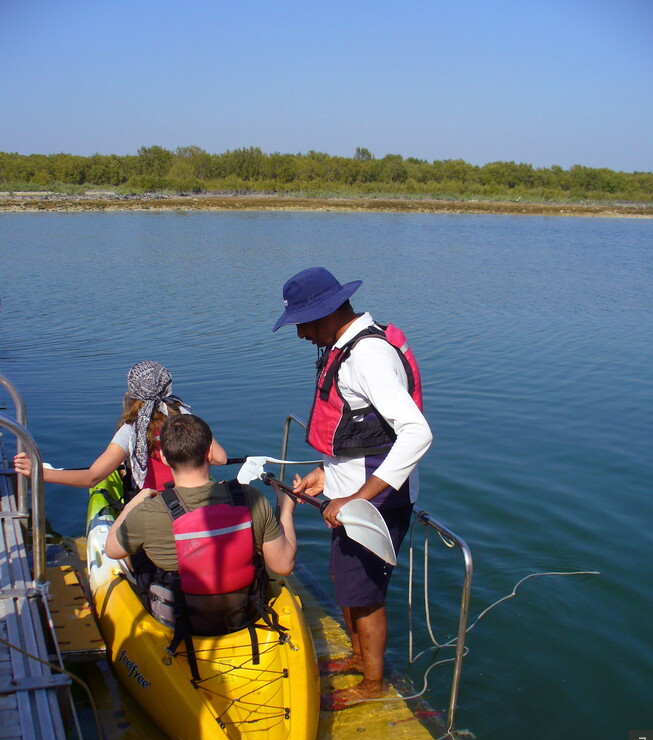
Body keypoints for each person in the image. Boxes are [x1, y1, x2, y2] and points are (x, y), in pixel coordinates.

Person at [273, 266, 432, 709]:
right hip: (351, 494)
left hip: (376, 501)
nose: (301, 333)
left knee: (365, 596)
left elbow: (417, 433)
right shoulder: (344, 348)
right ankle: (359, 658)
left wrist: (355, 498)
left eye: (303, 322)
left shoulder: (367, 357)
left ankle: (373, 683)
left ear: (327, 311)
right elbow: (362, 433)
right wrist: (325, 477)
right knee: (347, 585)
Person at [105, 413, 297, 641]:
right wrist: (286, 510)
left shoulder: (148, 512)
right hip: (243, 612)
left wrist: (133, 503)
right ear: (208, 452)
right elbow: (283, 565)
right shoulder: (250, 498)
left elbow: (112, 550)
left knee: (134, 556)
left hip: (178, 619)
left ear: (164, 457)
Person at [14, 360, 227, 493]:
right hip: (194, 495)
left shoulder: (131, 431)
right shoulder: (185, 415)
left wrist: (41, 473)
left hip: (156, 503)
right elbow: (220, 458)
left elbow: (92, 477)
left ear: (132, 393)